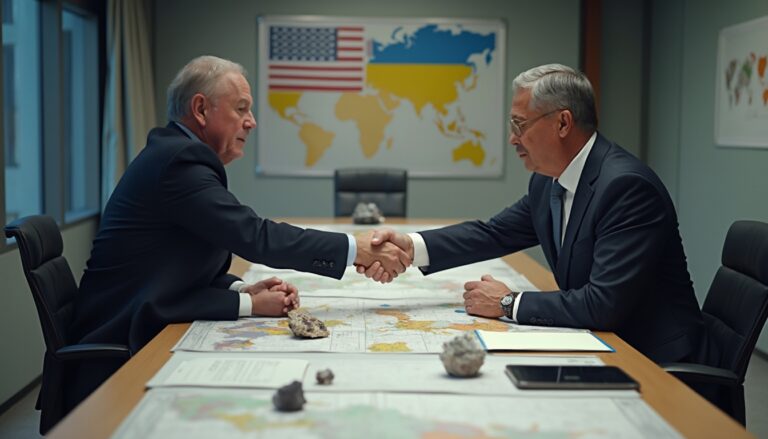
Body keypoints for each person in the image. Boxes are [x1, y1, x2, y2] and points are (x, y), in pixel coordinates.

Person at [66, 55, 409, 411]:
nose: (252, 122)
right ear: (200, 109)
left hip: (138, 320)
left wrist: (243, 289)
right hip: (118, 353)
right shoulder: (180, 162)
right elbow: (255, 236)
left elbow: (182, 262)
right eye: (242, 108)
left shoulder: (176, 154)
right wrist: (358, 250)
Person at [362, 63, 706, 365]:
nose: (513, 139)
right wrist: (410, 246)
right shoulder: (548, 182)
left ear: (562, 123)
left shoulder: (625, 187)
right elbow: (494, 233)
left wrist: (509, 302)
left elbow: (604, 304)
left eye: (519, 124)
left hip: (652, 358)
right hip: (602, 342)